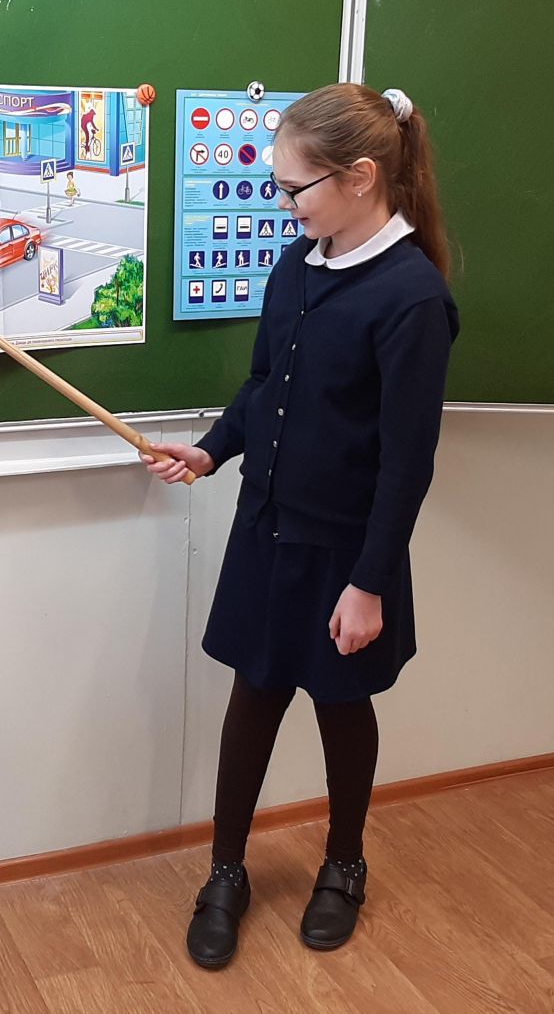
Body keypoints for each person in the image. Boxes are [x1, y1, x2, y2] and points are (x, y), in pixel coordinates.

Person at [142, 83, 458, 969]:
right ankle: (226, 872)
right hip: (266, 532)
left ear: (360, 178)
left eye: (294, 187)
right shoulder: (297, 266)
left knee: (341, 704)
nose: (284, 204)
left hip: (348, 554)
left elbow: (407, 465)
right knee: (253, 696)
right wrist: (212, 451)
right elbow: (264, 387)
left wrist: (368, 584)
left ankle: (344, 864)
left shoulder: (411, 299)